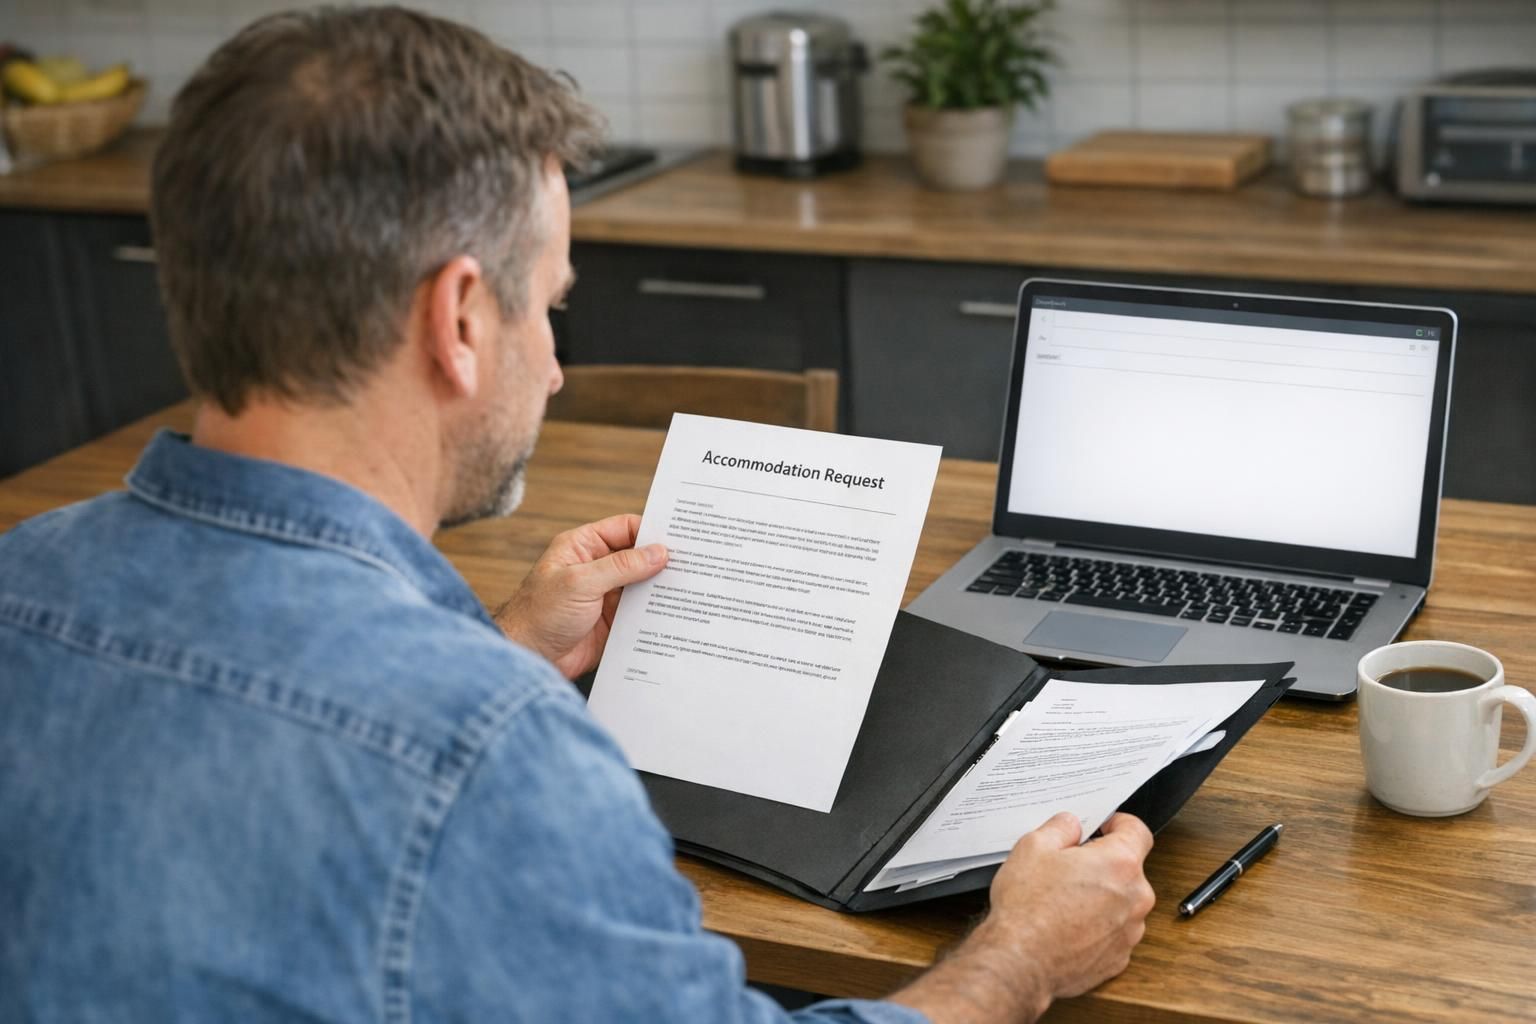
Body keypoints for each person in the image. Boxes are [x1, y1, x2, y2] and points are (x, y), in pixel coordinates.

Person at [0, 8, 1155, 1022]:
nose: (553, 367)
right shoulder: (492, 753)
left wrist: (501, 649)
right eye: (549, 306)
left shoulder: (22, 583)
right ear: (458, 319)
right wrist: (1019, 957)